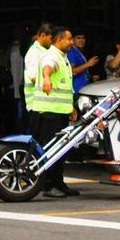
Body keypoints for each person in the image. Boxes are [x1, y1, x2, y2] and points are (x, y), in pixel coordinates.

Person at [30, 26, 79, 198]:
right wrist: (47, 78)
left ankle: (58, 183)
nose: (71, 42)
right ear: (59, 40)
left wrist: (70, 107)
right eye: (69, 39)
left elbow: (64, 86)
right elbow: (48, 67)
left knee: (60, 149)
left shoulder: (62, 57)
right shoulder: (52, 56)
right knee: (51, 149)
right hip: (50, 112)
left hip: (58, 111)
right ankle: (49, 185)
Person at [23, 24, 53, 131]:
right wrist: (48, 81)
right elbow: (33, 76)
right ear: (43, 35)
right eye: (50, 38)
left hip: (43, 104)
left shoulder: (43, 51)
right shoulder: (34, 52)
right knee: (36, 139)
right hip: (36, 104)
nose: (52, 41)